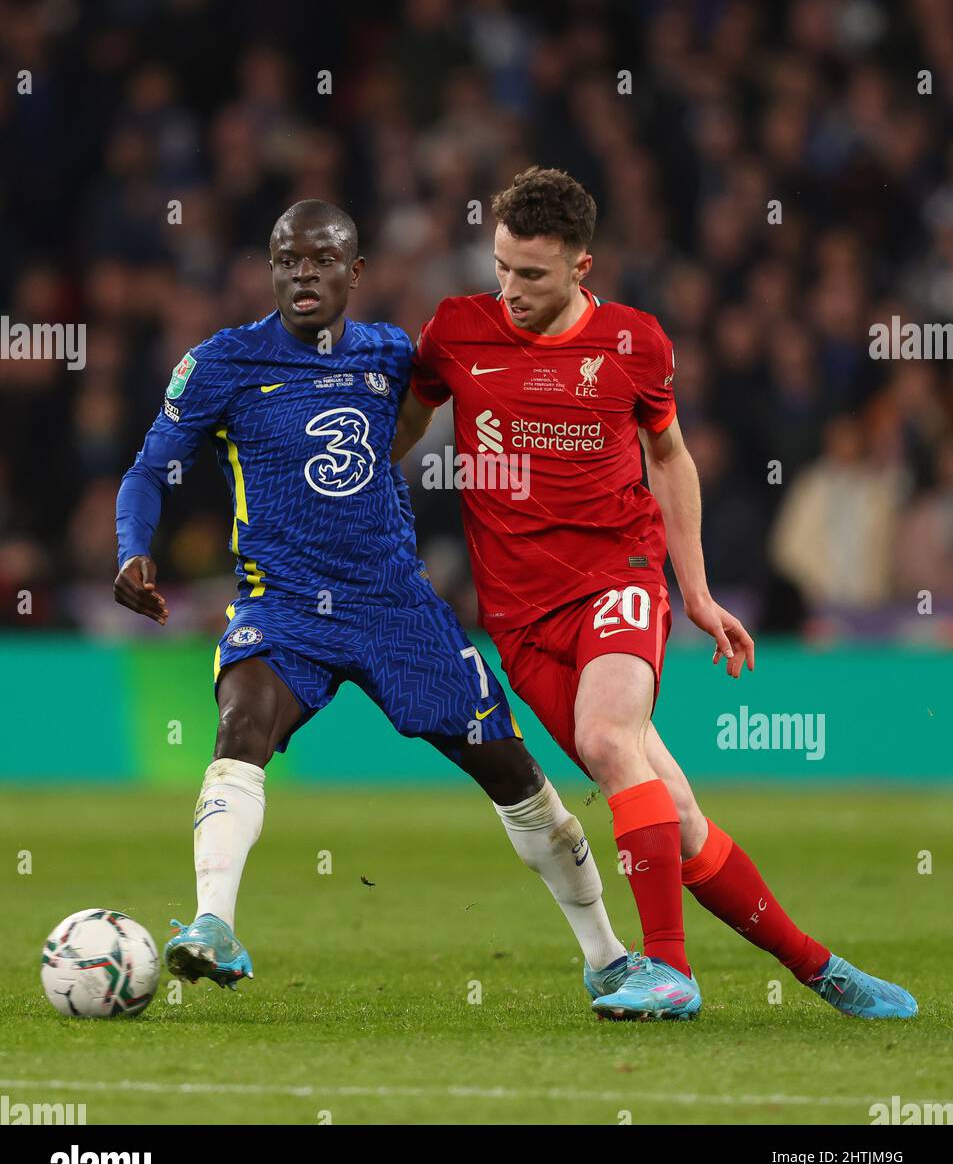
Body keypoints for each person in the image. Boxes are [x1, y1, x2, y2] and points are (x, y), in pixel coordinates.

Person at [393, 165, 917, 1021]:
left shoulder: (633, 344)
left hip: (618, 577)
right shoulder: (456, 333)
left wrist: (697, 592)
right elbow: (400, 438)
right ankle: (820, 968)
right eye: (500, 267)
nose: (510, 290)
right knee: (672, 815)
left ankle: (665, 970)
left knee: (607, 737)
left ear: (580, 267)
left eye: (532, 274)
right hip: (520, 621)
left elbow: (669, 459)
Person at [113, 199, 633, 1000]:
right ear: (270, 268)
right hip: (281, 602)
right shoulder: (223, 363)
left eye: (321, 260)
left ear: (354, 273)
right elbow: (149, 469)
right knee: (240, 727)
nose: (302, 274)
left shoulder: (391, 354)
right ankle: (212, 922)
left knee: (514, 775)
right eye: (287, 259)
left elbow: (450, 400)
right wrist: (133, 549)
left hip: (395, 604)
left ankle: (606, 958)